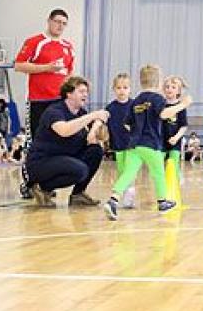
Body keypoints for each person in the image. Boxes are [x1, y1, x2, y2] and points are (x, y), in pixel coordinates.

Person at [103, 64, 189, 218]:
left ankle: (113, 199)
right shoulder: (157, 99)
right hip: (151, 144)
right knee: (158, 173)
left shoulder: (135, 101)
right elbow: (164, 115)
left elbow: (127, 123)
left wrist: (137, 132)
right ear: (158, 83)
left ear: (141, 82)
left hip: (134, 146)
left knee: (128, 173)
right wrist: (183, 104)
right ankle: (162, 201)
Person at [14, 8, 75, 198]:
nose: (60, 26)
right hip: (39, 101)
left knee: (57, 144)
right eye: (57, 21)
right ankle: (29, 183)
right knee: (35, 144)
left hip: (59, 103)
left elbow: (69, 75)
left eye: (64, 23)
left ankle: (47, 184)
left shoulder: (68, 46)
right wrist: (47, 67)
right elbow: (19, 65)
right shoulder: (35, 42)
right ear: (49, 21)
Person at [25, 76, 109, 208]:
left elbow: (94, 139)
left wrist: (97, 124)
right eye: (81, 91)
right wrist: (92, 116)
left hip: (64, 157)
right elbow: (64, 130)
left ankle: (78, 194)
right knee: (80, 170)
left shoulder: (81, 113)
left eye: (86, 92)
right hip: (42, 162)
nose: (85, 95)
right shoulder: (54, 111)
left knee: (95, 151)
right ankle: (42, 187)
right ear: (69, 94)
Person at [104, 73, 135, 208]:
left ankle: (129, 192)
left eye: (125, 87)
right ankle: (126, 190)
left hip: (132, 145)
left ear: (130, 89)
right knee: (121, 170)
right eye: (119, 88)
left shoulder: (135, 106)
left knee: (129, 170)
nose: (122, 91)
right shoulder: (110, 108)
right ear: (114, 89)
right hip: (118, 144)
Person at [161, 75, 190, 172]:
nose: (170, 89)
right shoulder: (160, 104)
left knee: (173, 166)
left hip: (175, 141)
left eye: (173, 87)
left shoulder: (181, 106)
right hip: (160, 141)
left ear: (178, 91)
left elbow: (183, 126)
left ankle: (174, 185)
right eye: (167, 86)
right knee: (159, 166)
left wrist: (176, 137)